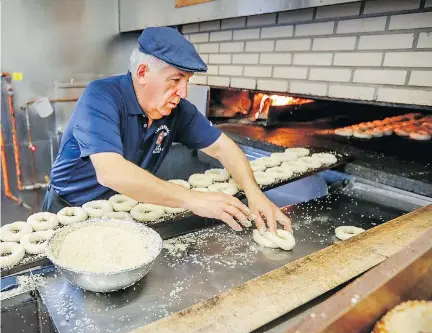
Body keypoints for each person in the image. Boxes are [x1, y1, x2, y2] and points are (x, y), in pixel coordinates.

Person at [42, 26, 291, 233]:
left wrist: (254, 192)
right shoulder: (101, 97)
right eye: (175, 80)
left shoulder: (177, 110)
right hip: (70, 209)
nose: (183, 93)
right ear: (142, 73)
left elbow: (223, 147)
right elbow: (111, 172)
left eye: (186, 82)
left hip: (125, 207)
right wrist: (193, 199)